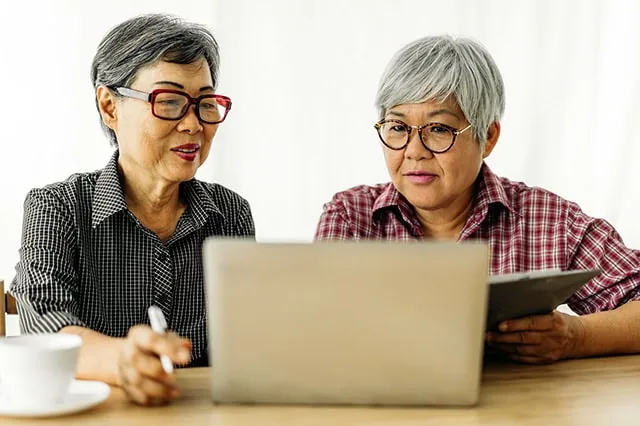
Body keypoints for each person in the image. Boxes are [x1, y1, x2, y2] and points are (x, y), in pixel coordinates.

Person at [315, 35, 640, 364]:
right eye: (398, 127)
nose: (414, 151)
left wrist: (576, 336)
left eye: (439, 129)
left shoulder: (549, 221)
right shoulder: (351, 218)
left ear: (487, 137)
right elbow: (316, 332)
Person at [10, 14, 255, 405]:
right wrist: (121, 360)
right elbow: (43, 324)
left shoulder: (230, 213)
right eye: (170, 101)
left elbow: (247, 342)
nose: (193, 124)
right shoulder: (56, 207)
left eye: (205, 104)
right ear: (110, 106)